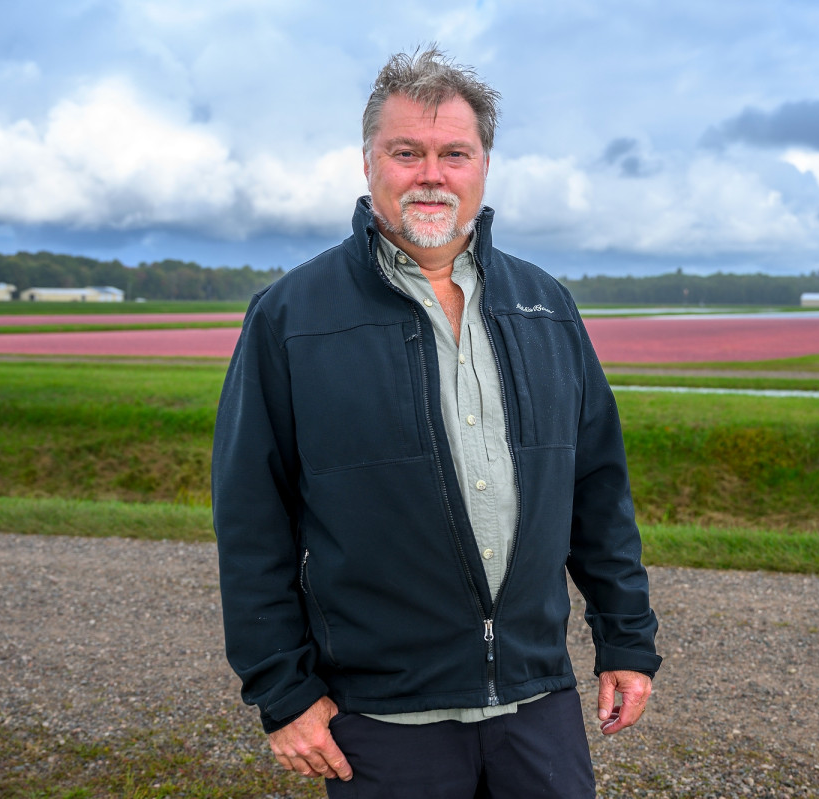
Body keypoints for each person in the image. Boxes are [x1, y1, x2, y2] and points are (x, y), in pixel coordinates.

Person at [211, 47, 661, 798]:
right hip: (382, 712)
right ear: (368, 164)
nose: (431, 173)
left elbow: (597, 489)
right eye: (406, 152)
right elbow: (251, 516)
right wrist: (282, 691)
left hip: (534, 698)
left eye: (455, 152)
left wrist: (626, 640)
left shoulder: (545, 305)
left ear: (484, 165)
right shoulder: (290, 317)